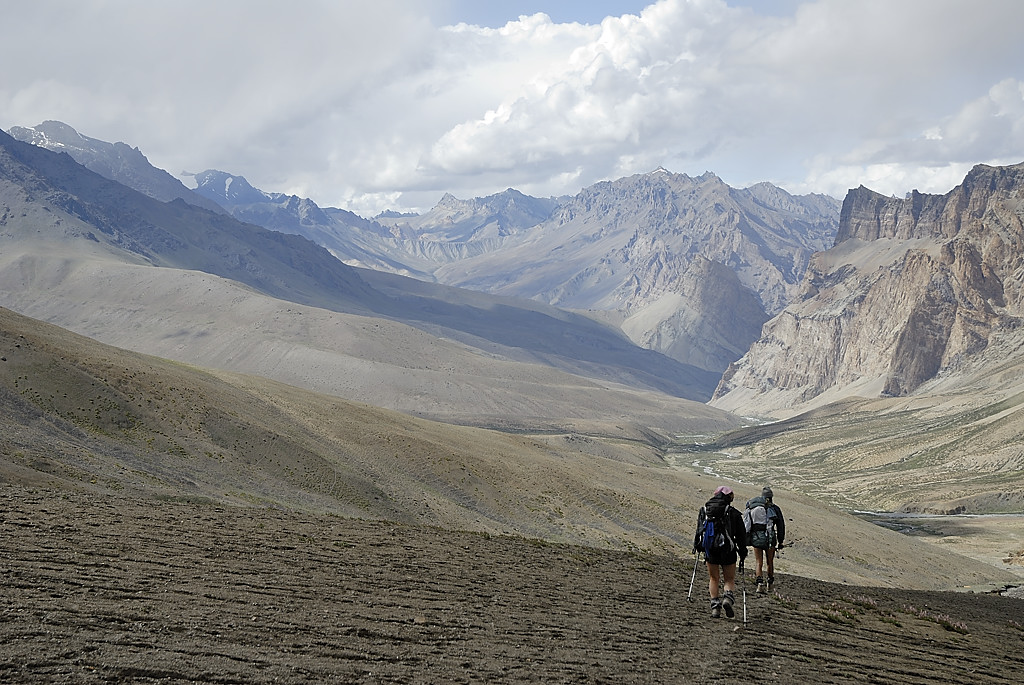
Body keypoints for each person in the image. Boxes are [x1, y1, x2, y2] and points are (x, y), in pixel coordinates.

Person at [692, 485, 747, 618]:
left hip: (710, 550)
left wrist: (698, 546)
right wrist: (743, 551)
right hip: (728, 550)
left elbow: (699, 530)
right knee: (729, 579)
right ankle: (727, 599)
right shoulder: (733, 512)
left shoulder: (705, 510)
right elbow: (741, 535)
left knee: (713, 578)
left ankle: (715, 607)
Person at [743, 485, 786, 594]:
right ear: (771, 497)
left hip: (756, 537)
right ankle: (770, 585)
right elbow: (781, 525)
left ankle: (759, 584)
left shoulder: (753, 507)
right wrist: (781, 541)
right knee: (769, 561)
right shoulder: (774, 508)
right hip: (770, 538)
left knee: (758, 561)